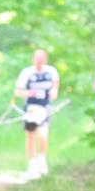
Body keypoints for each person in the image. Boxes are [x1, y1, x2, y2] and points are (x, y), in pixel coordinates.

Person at [15, 49, 60, 178]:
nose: (39, 62)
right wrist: (30, 93)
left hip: (45, 108)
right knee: (30, 136)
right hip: (31, 109)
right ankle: (32, 166)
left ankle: (42, 164)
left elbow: (55, 85)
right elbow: (18, 91)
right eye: (37, 59)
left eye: (41, 59)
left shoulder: (51, 72)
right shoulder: (27, 73)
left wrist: (54, 92)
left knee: (43, 135)